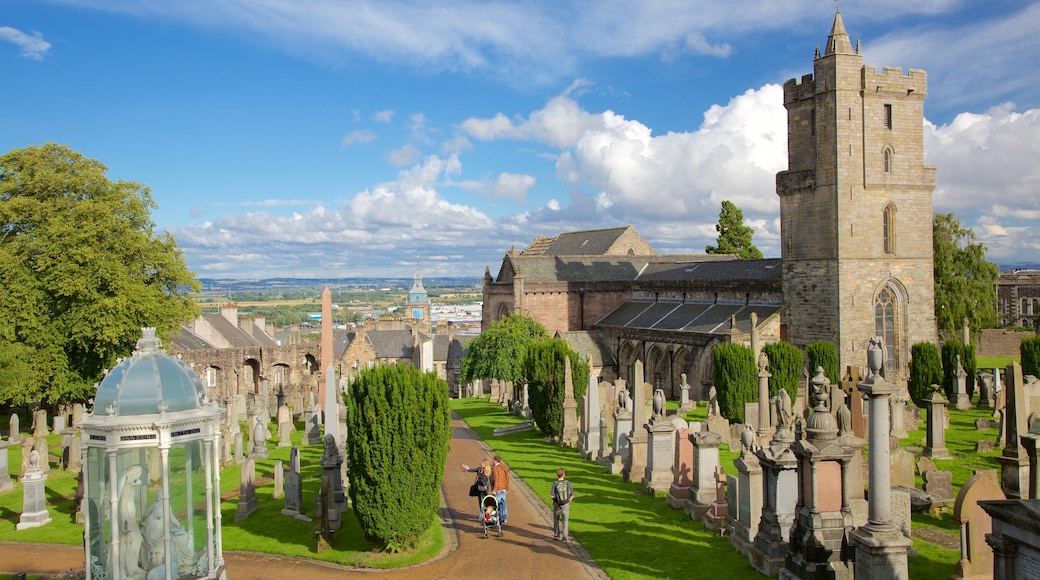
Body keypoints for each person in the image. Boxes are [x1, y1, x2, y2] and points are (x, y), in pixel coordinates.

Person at [550, 467, 574, 542]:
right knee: (565, 521)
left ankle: (556, 534)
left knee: (556, 519)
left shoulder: (555, 483)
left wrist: (555, 501)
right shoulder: (568, 483)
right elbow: (572, 495)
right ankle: (565, 537)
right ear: (564, 474)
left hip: (557, 504)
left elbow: (552, 495)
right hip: (565, 504)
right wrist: (568, 501)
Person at [490, 455, 509, 524]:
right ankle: (505, 517)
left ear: (495, 460)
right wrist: (506, 488)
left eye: (492, 460)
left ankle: (495, 519)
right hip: (504, 488)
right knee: (503, 502)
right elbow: (507, 478)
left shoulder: (496, 469)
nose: (492, 461)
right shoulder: (504, 467)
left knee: (495, 503)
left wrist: (495, 490)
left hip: (498, 489)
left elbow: (496, 480)